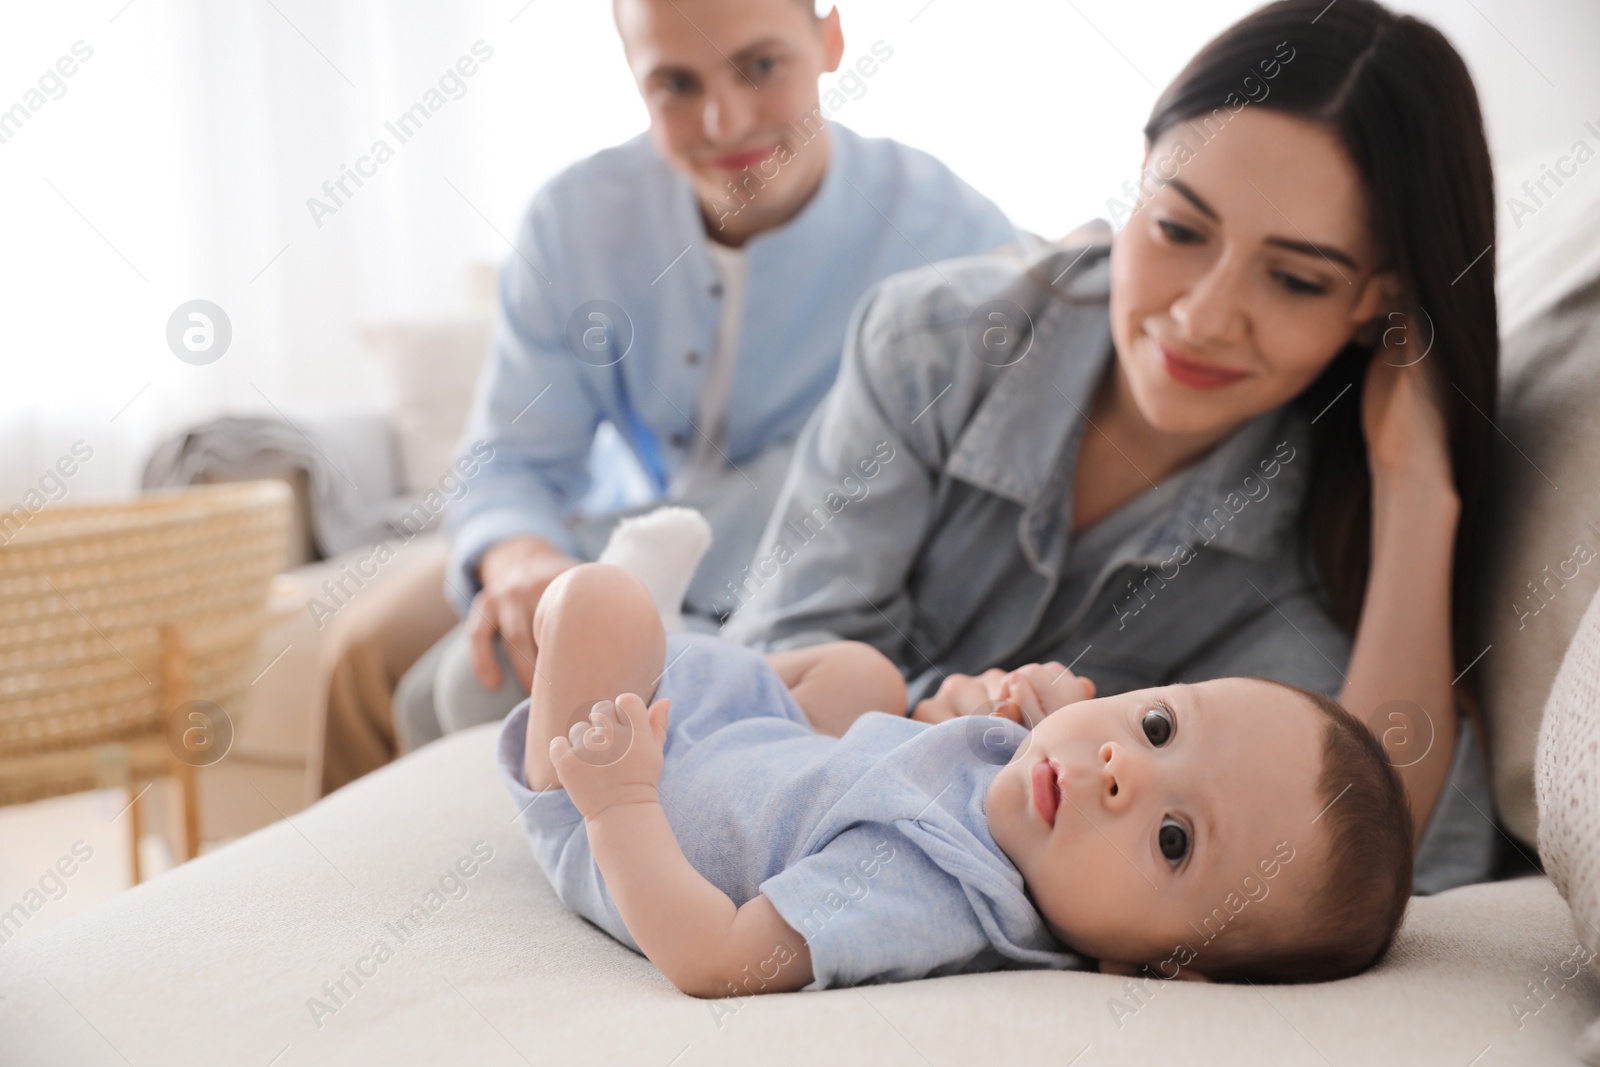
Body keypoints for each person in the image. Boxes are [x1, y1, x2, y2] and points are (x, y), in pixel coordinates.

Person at [722, 0, 1501, 894]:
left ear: (1377, 303)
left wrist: (1416, 491)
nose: (1202, 316)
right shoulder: (932, 342)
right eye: (1178, 228)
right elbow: (764, 681)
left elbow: (1358, 865)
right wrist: (938, 718)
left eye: (1293, 278)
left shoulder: (1313, 559)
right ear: (1137, 181)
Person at [307, 0, 1017, 796]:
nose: (725, 119)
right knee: (363, 645)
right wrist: (521, 558)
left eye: (760, 66)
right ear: (634, 76)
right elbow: (509, 457)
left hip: (794, 573)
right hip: (608, 537)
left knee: (457, 687)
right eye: (676, 84)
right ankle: (327, 894)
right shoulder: (573, 221)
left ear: (831, 38)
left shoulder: (955, 237)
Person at [496, 548, 1413, 994]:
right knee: (869, 674)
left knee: (598, 599)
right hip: (767, 752)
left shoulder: (931, 891)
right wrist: (978, 708)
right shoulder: (1029, 812)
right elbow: (910, 745)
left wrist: (617, 804)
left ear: (1157, 968)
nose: (1118, 767)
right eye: (1159, 723)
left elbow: (719, 958)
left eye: (1173, 839)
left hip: (623, 797)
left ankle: (653, 655)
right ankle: (696, 660)